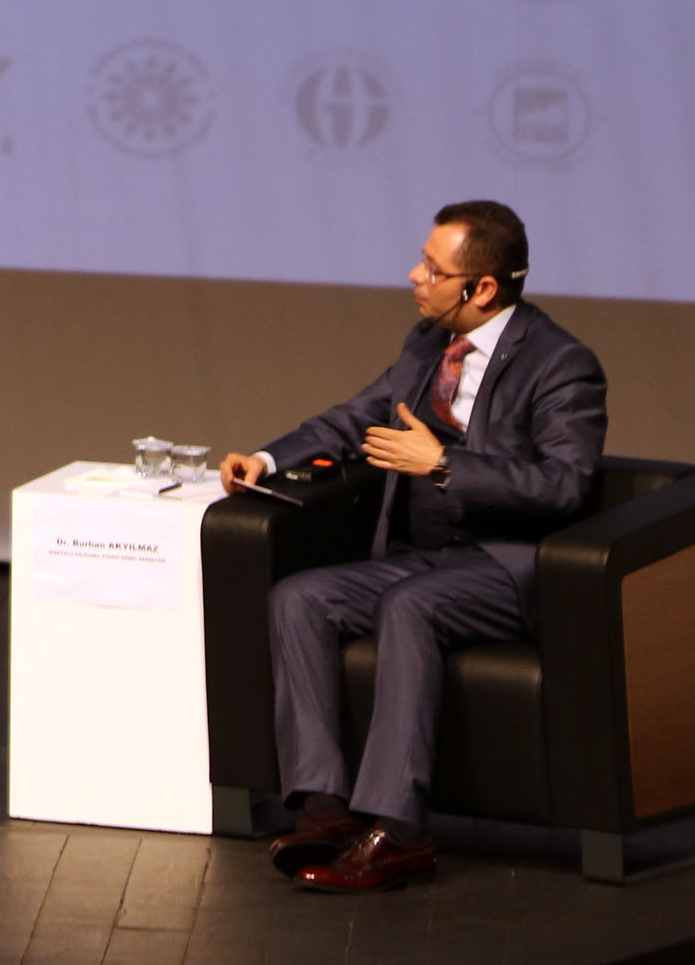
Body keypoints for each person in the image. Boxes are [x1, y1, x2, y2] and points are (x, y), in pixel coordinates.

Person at [221, 199, 604, 893]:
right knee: (300, 597)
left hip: (504, 565)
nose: (414, 276)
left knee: (411, 606)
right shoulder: (429, 344)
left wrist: (446, 466)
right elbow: (355, 418)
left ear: (482, 288)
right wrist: (268, 459)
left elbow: (565, 484)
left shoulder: (561, 363)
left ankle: (398, 832)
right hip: (422, 555)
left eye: (432, 268)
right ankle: (326, 809)